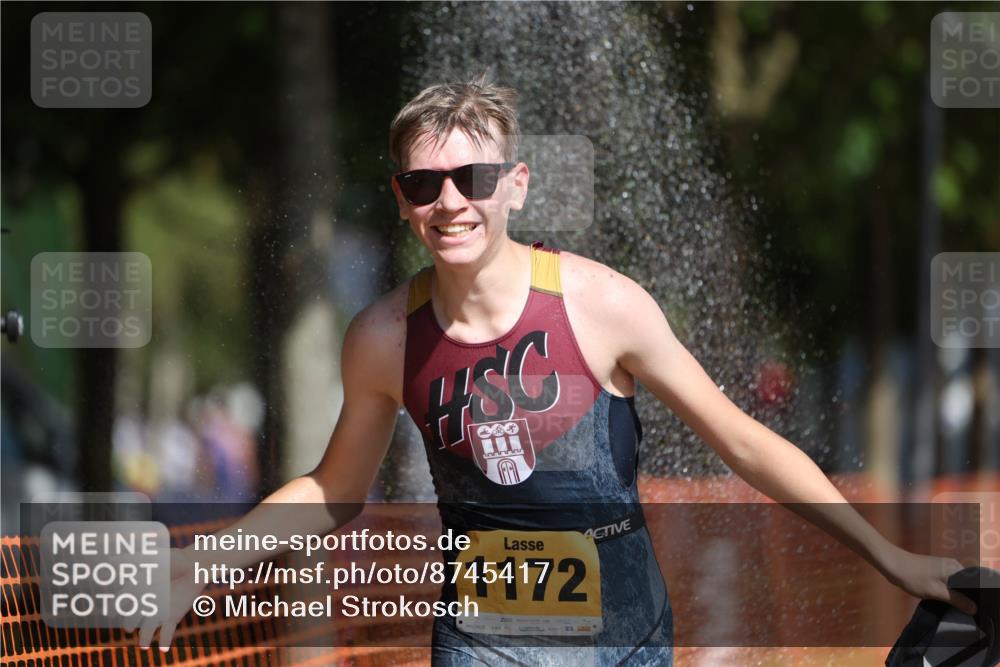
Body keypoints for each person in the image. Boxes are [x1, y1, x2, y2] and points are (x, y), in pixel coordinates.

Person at [138, 73, 978, 664]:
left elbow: (743, 441)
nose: (450, 202)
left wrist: (890, 556)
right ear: (400, 198)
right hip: (483, 641)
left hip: (626, 634)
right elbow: (334, 488)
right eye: (424, 185)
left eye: (472, 178)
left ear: (516, 185)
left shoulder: (604, 305)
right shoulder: (383, 337)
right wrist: (200, 565)